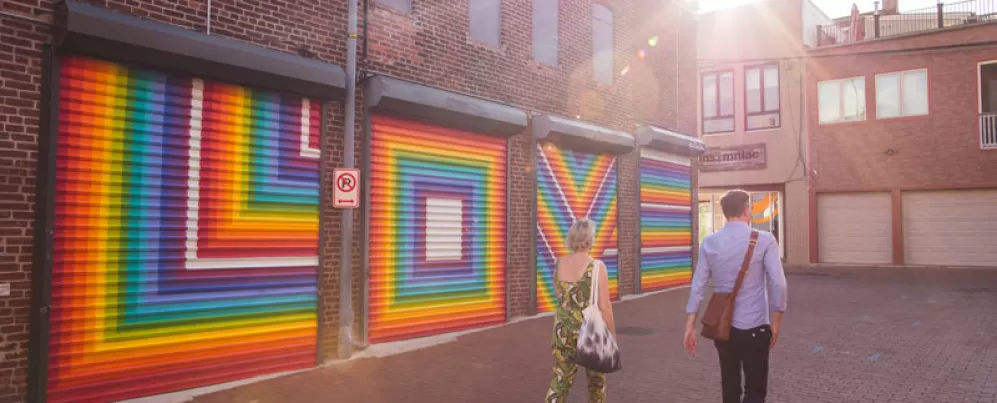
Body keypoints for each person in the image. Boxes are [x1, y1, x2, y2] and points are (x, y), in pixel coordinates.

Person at [683, 190, 788, 403]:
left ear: (725, 213)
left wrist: (690, 324)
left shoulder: (710, 242)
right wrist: (777, 321)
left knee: (729, 387)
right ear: (746, 211)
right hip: (755, 325)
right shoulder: (765, 240)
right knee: (755, 390)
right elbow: (779, 283)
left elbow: (698, 286)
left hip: (722, 327)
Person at [545, 218, 616, 403]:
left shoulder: (559, 263)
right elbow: (605, 306)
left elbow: (559, 294)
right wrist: (612, 336)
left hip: (562, 329)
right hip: (590, 330)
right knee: (596, 383)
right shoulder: (597, 267)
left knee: (560, 380)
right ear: (590, 238)